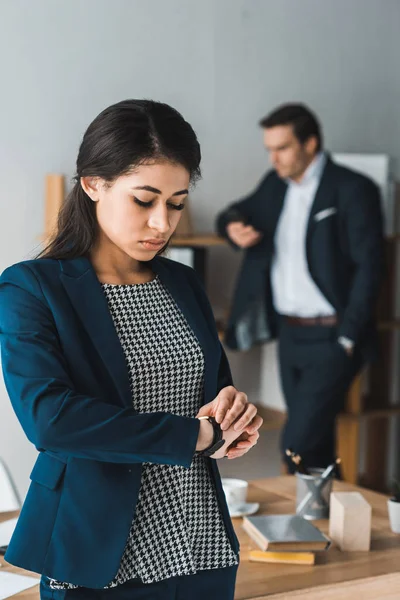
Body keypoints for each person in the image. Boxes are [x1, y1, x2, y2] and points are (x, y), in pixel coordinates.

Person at [0, 99, 263, 600]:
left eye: (177, 203)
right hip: (96, 559)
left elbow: (212, 394)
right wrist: (195, 436)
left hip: (200, 547)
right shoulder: (32, 288)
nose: (163, 223)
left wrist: (234, 419)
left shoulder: (183, 283)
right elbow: (52, 420)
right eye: (144, 200)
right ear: (93, 184)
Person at [216, 103, 384, 474]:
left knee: (296, 441)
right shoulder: (275, 186)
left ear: (310, 143)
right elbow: (230, 213)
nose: (274, 158)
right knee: (317, 447)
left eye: (283, 148)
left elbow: (371, 268)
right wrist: (233, 229)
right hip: (290, 337)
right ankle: (327, 527)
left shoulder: (354, 189)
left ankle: (302, 526)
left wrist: (349, 337)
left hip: (334, 337)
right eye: (270, 149)